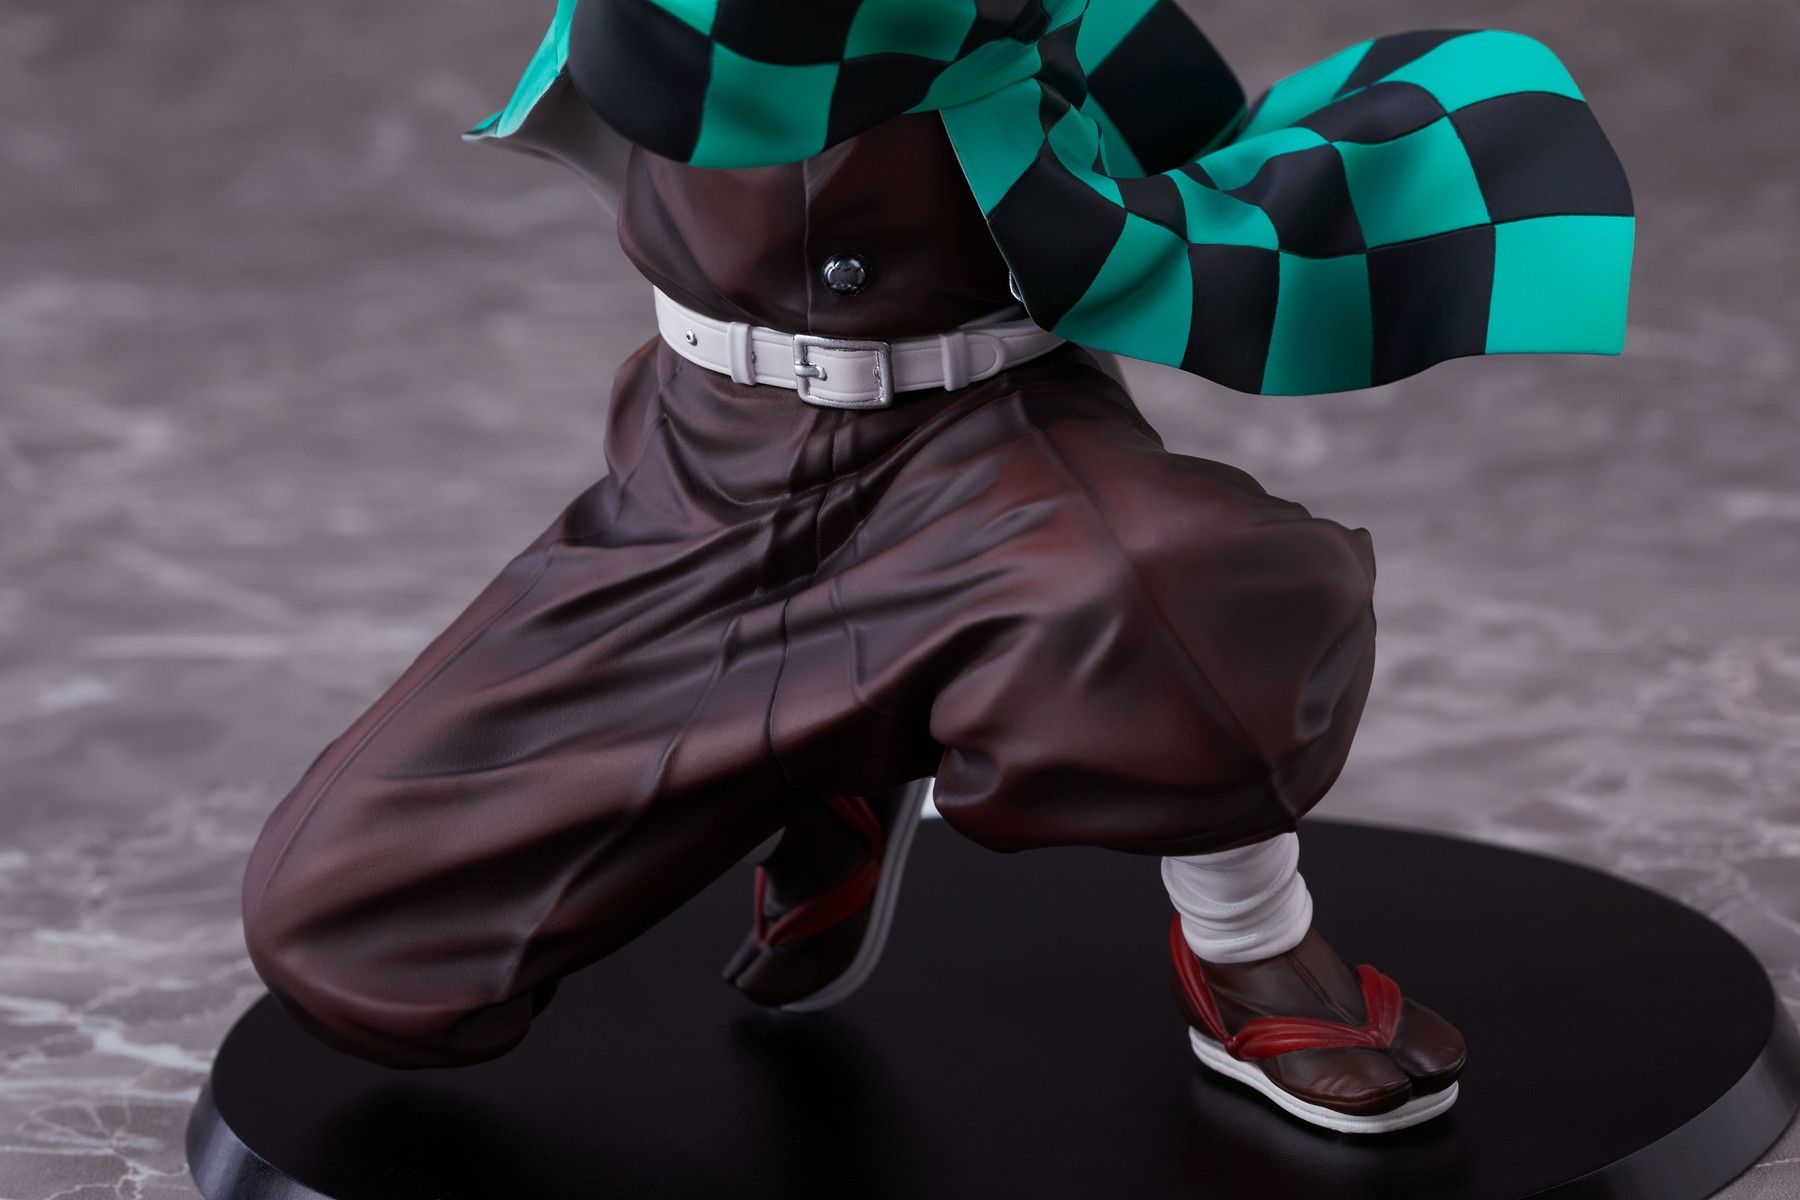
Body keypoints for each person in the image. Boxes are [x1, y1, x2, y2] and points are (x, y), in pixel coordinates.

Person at [242, 0, 1632, 1134]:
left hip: (980, 437)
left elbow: (1148, 101)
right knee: (344, 938)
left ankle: (1249, 946)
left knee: (1186, 597)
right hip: (706, 459)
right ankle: (831, 760)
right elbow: (684, 61)